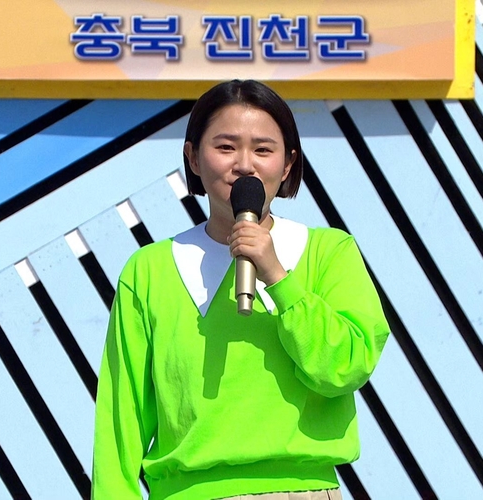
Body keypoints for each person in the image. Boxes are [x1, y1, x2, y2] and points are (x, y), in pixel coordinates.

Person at [91, 80, 390, 500]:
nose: (245, 165)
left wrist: (278, 278)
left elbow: (345, 368)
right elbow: (121, 414)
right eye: (226, 147)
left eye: (263, 150)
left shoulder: (328, 251)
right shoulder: (149, 269)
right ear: (193, 157)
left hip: (301, 490)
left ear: (287, 164)